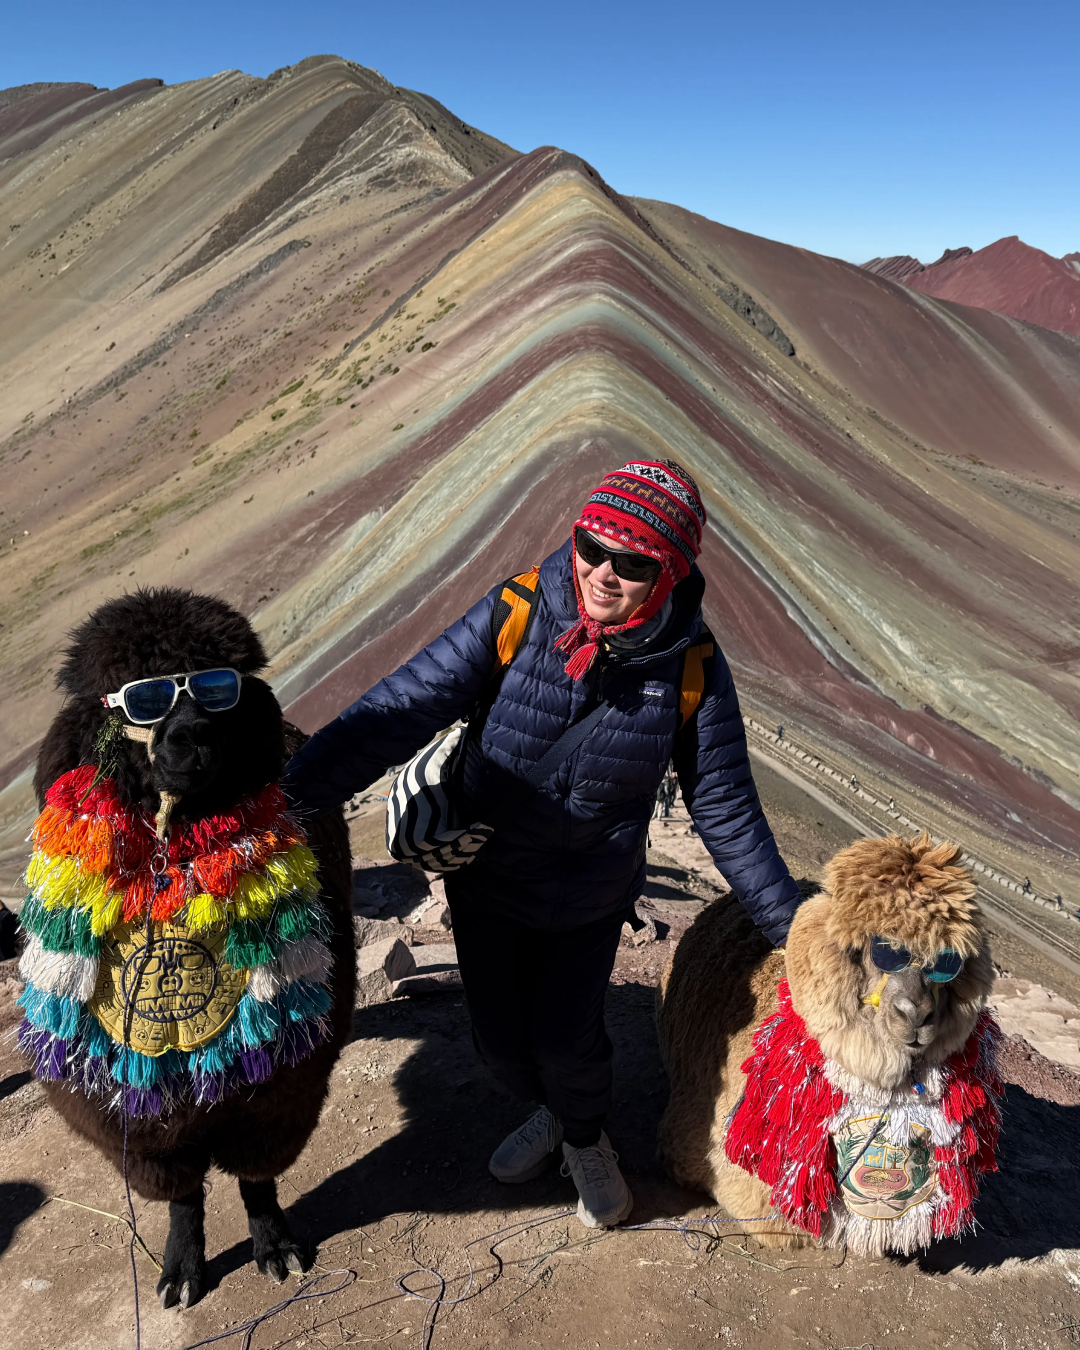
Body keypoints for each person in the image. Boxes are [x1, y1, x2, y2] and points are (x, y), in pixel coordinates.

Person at [283, 459, 803, 1229]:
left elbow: (724, 807)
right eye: (591, 547)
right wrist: (284, 803)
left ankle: (587, 1137)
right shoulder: (521, 612)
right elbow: (404, 705)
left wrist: (799, 932)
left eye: (633, 563)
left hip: (591, 894)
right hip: (489, 879)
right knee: (499, 1043)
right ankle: (551, 1115)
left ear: (671, 570)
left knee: (568, 1040)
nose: (602, 573)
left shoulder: (693, 669)